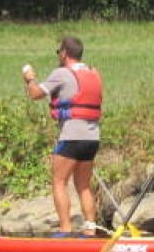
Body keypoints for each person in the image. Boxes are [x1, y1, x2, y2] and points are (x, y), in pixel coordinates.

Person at [22, 36, 104, 238]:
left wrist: (30, 78)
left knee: (59, 182)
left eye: (59, 51)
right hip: (92, 138)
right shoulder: (94, 73)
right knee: (83, 185)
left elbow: (34, 94)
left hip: (72, 137)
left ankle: (65, 230)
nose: (58, 55)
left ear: (65, 53)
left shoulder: (62, 73)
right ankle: (90, 229)